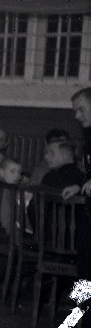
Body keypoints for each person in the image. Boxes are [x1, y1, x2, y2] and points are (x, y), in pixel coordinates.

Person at [69, 87, 91, 280]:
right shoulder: (88, 135)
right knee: (83, 264)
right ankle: (82, 308)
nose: (77, 115)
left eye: (81, 109)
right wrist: (80, 185)